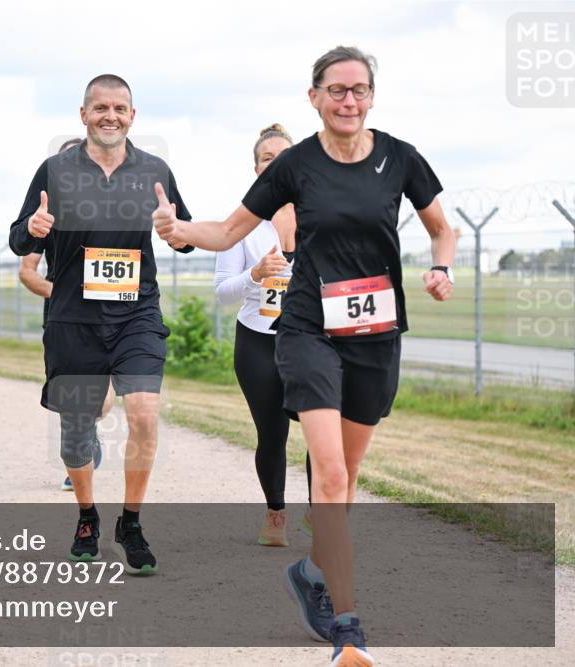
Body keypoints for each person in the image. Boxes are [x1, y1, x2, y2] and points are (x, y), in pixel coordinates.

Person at [153, 46, 455, 666]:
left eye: (359, 90)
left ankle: (312, 572)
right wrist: (178, 229)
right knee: (331, 476)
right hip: (308, 329)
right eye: (336, 90)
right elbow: (228, 231)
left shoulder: (400, 158)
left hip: (375, 333)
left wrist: (442, 266)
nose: (349, 100)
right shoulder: (294, 165)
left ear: (372, 97)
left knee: (347, 477)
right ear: (314, 96)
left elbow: (440, 228)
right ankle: (348, 628)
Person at [9, 74, 194, 574]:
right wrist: (32, 228)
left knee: (144, 414)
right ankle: (87, 515)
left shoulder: (154, 170)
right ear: (84, 114)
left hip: (136, 313)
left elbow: (182, 235)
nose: (110, 116)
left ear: (132, 116)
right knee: (76, 428)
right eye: (100, 108)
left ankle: (130, 523)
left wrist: (175, 231)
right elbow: (19, 239)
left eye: (119, 108)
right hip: (74, 317)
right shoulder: (55, 170)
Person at [214, 123, 314, 547]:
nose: (276, 164)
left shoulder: (321, 216)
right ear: (257, 171)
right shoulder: (242, 225)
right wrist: (254, 274)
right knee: (272, 434)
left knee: (322, 426)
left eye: (284, 156)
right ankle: (276, 513)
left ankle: (320, 512)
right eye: (267, 158)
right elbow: (222, 292)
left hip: (310, 340)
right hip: (257, 340)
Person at [19, 137, 113, 492]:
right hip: (64, 315)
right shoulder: (47, 218)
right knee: (72, 394)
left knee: (100, 398)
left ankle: (88, 435)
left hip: (108, 315)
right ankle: (79, 456)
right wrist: (62, 292)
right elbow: (27, 272)